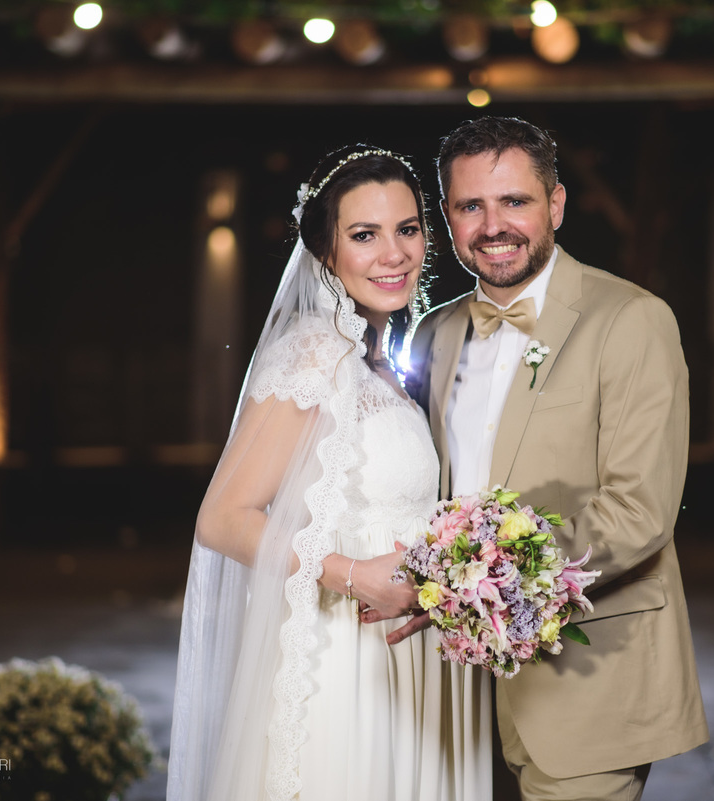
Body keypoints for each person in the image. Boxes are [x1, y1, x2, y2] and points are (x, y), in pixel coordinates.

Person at [395, 117, 708, 800]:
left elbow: (639, 511)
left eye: (515, 201)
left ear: (556, 204)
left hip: (588, 682)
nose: (493, 226)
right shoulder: (433, 332)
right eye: (471, 206)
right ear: (447, 217)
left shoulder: (632, 319)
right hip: (452, 692)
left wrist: (470, 581)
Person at [167, 147, 491, 801]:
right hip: (343, 662)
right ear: (325, 251)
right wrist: (357, 574)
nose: (394, 254)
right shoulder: (315, 351)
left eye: (406, 229)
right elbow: (222, 519)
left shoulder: (375, 361)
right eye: (364, 235)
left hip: (407, 658)